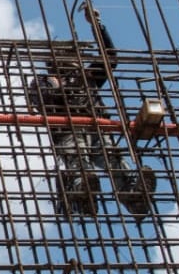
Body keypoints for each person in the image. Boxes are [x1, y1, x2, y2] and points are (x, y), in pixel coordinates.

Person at [26, 26, 155, 220]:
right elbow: (44, 101)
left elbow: (110, 56)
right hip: (68, 129)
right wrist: (63, 86)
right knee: (79, 159)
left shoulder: (86, 77)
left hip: (97, 126)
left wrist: (98, 26)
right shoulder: (42, 81)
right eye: (70, 55)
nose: (76, 60)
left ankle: (133, 196)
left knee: (113, 157)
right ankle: (83, 190)